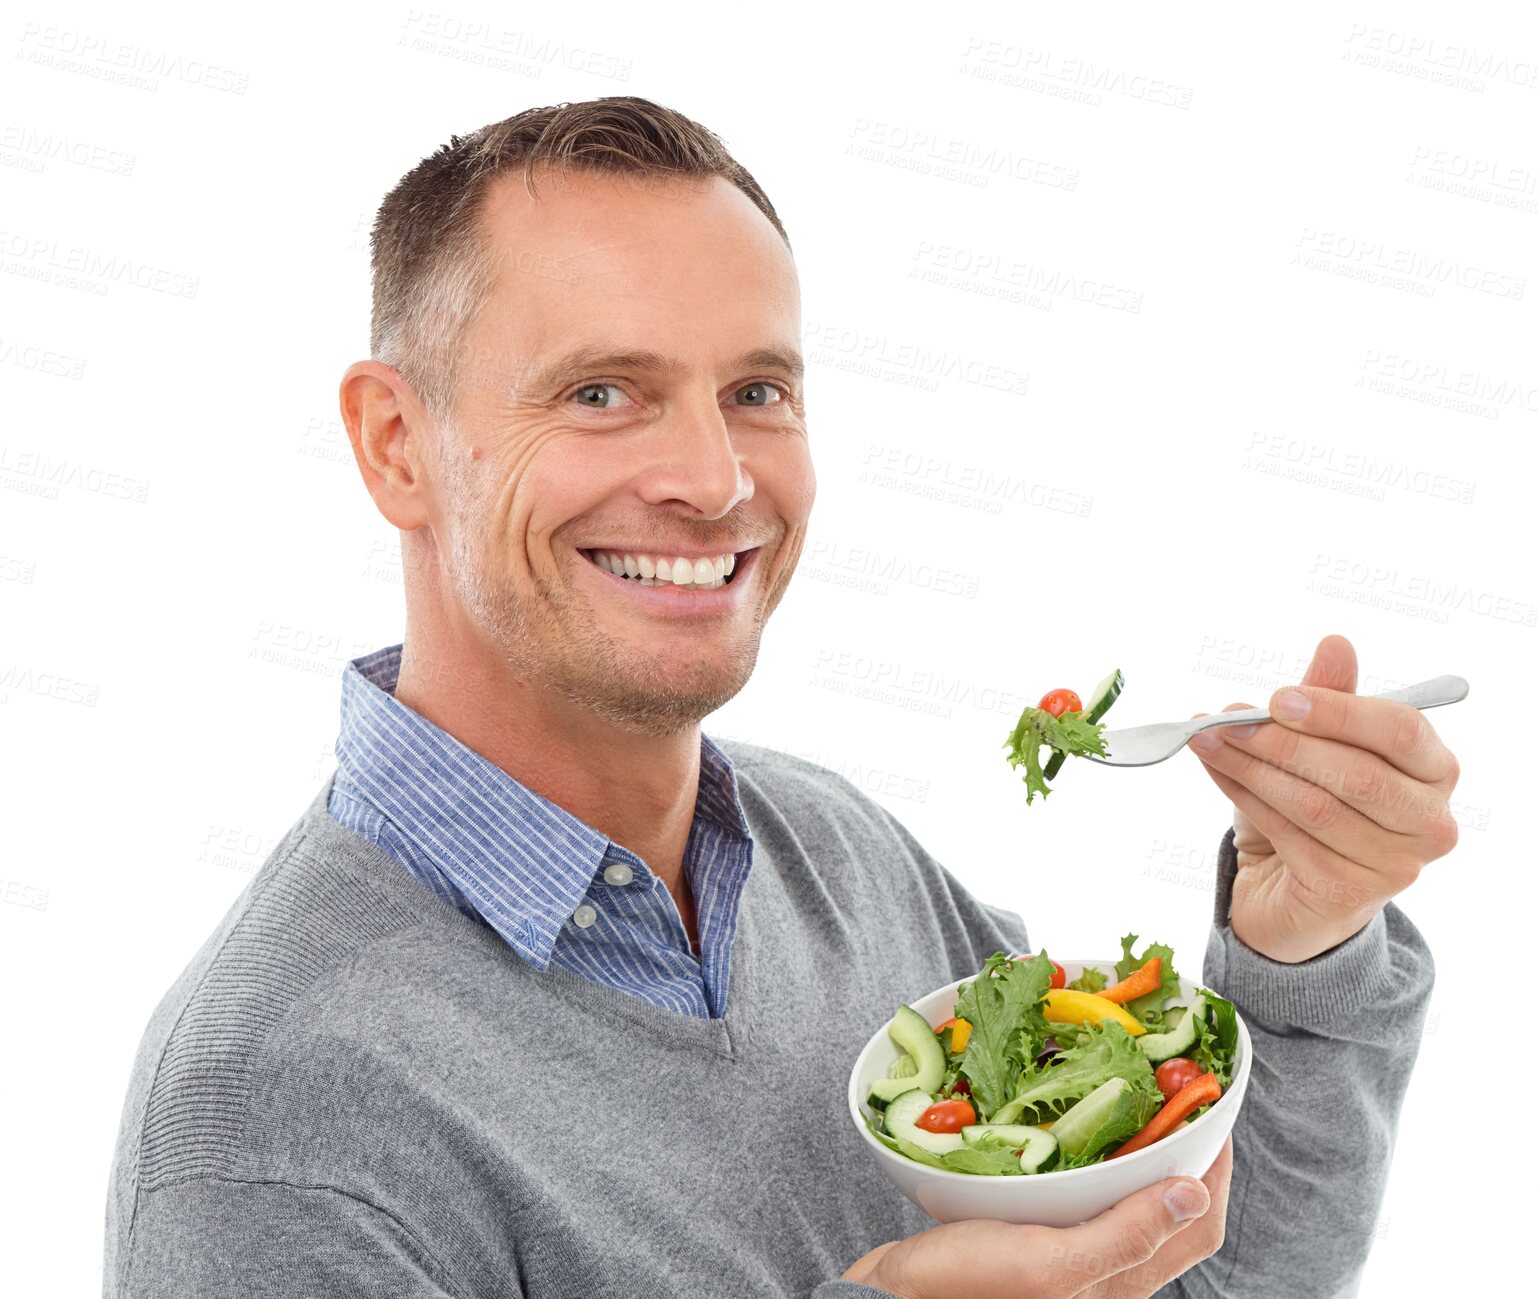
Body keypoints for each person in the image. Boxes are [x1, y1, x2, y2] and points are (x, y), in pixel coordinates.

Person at [102, 96, 1459, 1299]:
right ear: (397, 445)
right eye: (600, 391)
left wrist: (1303, 945)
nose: (713, 476)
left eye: (755, 390)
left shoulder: (843, 856)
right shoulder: (273, 1114)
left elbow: (1196, 1278)